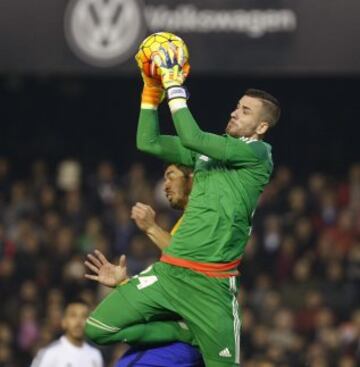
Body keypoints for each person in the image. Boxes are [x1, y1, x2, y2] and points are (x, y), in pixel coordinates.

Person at [85, 46, 280, 367]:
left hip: (212, 286)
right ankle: (183, 331)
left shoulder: (259, 154)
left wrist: (174, 87)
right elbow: (147, 142)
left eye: (245, 111)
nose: (234, 113)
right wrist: (151, 93)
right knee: (96, 329)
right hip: (171, 272)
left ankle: (190, 331)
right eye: (236, 107)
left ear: (261, 127)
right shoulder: (206, 153)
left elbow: (193, 136)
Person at [85, 164, 204, 367]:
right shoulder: (184, 223)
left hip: (189, 333)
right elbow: (176, 277)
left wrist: (150, 226)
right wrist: (124, 283)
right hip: (174, 330)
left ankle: (182, 331)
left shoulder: (205, 217)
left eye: (170, 176)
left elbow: (186, 262)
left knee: (97, 329)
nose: (165, 185)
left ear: (192, 178)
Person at [31, 299, 103, 367]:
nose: (79, 322)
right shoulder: (50, 353)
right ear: (64, 322)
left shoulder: (95, 355)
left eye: (84, 316)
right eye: (73, 315)